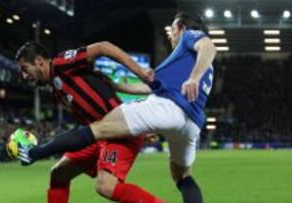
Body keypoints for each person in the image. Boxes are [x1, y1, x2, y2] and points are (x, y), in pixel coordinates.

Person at [17, 12, 217, 203]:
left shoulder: (190, 37)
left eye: (172, 30)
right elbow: (153, 87)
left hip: (151, 116)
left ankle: (35, 152)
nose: (171, 36)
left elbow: (209, 46)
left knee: (104, 171)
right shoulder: (182, 64)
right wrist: (119, 86)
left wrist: (193, 77)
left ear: (181, 27)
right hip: (191, 123)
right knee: (182, 176)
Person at [14, 41, 166, 203]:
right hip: (97, 134)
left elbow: (103, 47)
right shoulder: (56, 87)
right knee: (59, 173)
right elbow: (103, 102)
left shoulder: (61, 64)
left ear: (39, 60)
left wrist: (140, 71)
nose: (24, 76)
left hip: (118, 133)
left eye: (25, 69)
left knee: (106, 186)